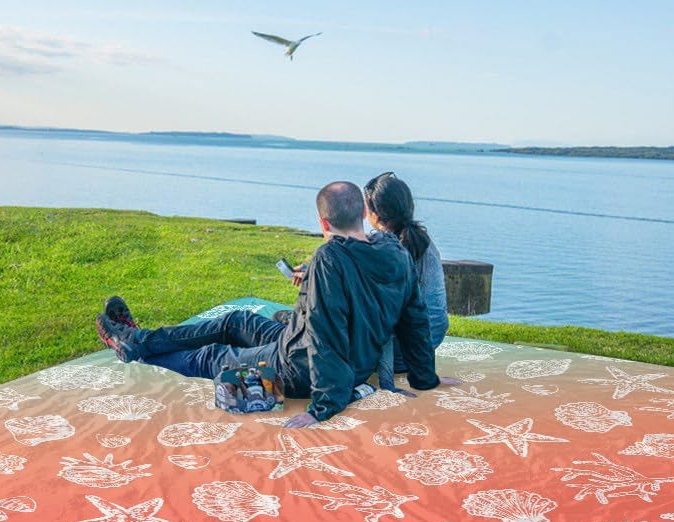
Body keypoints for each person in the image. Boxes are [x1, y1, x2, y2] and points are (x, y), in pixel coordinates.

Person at [94, 181, 439, 428]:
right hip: (303, 342)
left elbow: (325, 336)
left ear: (323, 223)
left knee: (213, 356)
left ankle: (133, 349)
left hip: (298, 367)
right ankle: (138, 339)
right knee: (236, 320)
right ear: (363, 213)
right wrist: (426, 377)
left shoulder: (329, 259)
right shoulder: (393, 251)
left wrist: (322, 408)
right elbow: (415, 319)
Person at [363, 171, 449, 391]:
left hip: (396, 357)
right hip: (427, 348)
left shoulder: (382, 247)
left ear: (374, 213)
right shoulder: (426, 244)